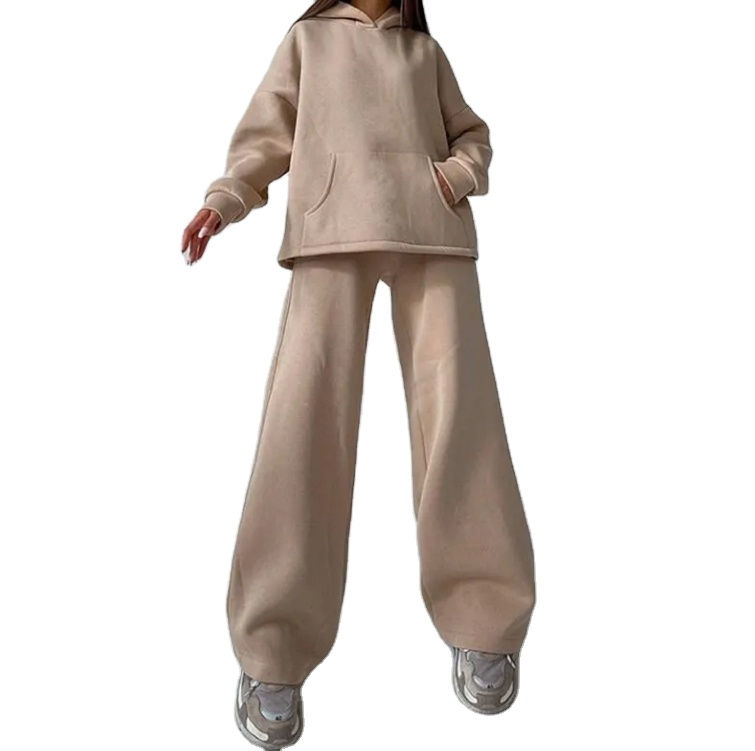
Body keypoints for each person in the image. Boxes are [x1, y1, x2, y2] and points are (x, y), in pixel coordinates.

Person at [182, 1, 536, 747]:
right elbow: (266, 135)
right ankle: (273, 645)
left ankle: (485, 616)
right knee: (303, 425)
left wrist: (456, 176)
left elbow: (473, 134)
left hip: (433, 234)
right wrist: (225, 200)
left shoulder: (423, 52)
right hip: (329, 229)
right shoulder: (307, 41)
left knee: (461, 420)